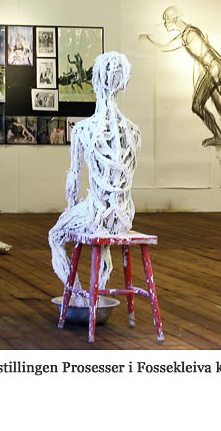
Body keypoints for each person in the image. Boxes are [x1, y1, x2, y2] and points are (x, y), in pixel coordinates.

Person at [48, 51, 140, 303]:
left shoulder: (83, 129)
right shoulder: (134, 132)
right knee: (103, 236)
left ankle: (81, 297)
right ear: (122, 82)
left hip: (96, 214)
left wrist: (71, 209)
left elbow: (73, 180)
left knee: (55, 236)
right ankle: (95, 297)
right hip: (123, 217)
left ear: (95, 81)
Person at [141, 6, 221, 147]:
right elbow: (169, 47)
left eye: (166, 20)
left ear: (175, 19)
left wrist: (148, 39)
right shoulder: (187, 33)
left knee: (198, 105)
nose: (165, 23)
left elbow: (202, 55)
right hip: (215, 68)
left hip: (214, 70)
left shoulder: (190, 34)